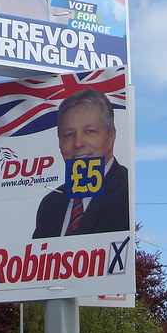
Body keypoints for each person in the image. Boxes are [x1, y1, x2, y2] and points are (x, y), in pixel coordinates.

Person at [33, 88, 130, 238]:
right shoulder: (50, 205)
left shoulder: (128, 190)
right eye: (69, 134)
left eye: (89, 131)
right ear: (59, 143)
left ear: (111, 136)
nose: (78, 143)